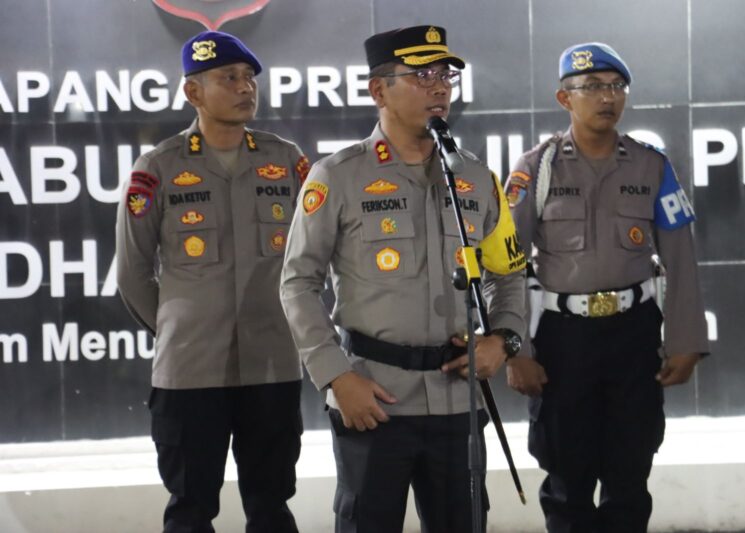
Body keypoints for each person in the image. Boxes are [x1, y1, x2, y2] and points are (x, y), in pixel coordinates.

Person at [280, 25, 526, 533]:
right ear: (378, 90)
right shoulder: (338, 175)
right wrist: (336, 377)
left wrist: (504, 338)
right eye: (420, 76)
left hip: (459, 401)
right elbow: (298, 282)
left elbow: (509, 273)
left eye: (446, 75)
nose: (439, 87)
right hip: (373, 400)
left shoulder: (477, 178)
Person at [505, 42, 709, 532]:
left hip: (632, 336)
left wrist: (686, 342)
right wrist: (516, 350)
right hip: (562, 341)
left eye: (616, 86)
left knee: (630, 476)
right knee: (566, 483)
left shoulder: (651, 166)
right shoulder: (535, 169)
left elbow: (681, 258)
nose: (607, 97)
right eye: (592, 87)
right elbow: (507, 266)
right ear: (564, 99)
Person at [115, 30, 309, 533]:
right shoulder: (157, 168)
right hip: (190, 371)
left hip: (272, 364)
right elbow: (133, 271)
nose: (245, 87)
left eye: (249, 78)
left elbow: (316, 256)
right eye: (229, 78)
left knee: (271, 507)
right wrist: (179, 329)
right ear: (193, 93)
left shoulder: (287, 161)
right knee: (190, 508)